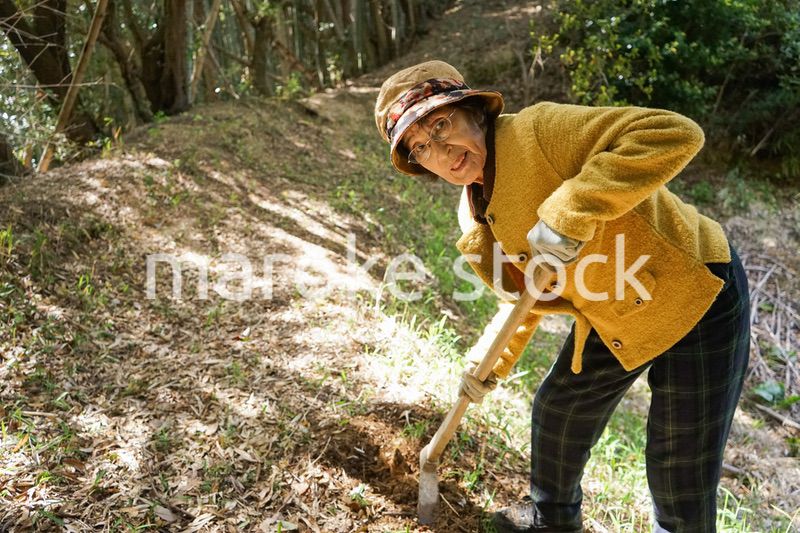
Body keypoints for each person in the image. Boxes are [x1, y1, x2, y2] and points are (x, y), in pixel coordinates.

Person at [374, 60, 751, 532]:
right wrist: (487, 364)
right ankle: (551, 520)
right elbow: (525, 295)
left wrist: (569, 209)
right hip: (617, 308)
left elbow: (674, 132)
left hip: (696, 290)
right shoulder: (473, 217)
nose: (441, 149)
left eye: (442, 123)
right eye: (421, 147)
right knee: (559, 411)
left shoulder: (539, 132)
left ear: (474, 110)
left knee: (678, 463)